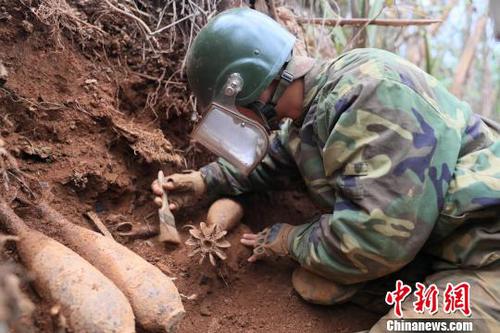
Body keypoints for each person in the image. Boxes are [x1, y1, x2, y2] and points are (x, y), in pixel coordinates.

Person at [151, 8, 500, 332]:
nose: (235, 122)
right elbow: (273, 159)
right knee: (318, 284)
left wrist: (289, 240)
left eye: (230, 112)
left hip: (488, 256)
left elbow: (372, 242)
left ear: (248, 87)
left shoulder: (370, 94)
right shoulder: (314, 111)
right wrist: (202, 181)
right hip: (441, 247)